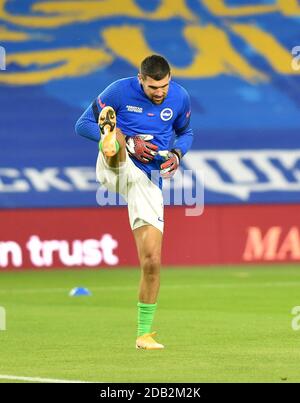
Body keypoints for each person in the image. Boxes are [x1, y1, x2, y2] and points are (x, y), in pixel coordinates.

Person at [75, 54, 193, 350]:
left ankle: (143, 334)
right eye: (154, 87)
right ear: (141, 79)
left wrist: (177, 155)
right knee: (116, 144)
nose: (160, 92)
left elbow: (186, 132)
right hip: (116, 166)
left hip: (148, 180)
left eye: (164, 86)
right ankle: (113, 138)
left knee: (152, 261)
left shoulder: (179, 97)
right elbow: (81, 124)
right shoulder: (118, 90)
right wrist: (126, 140)